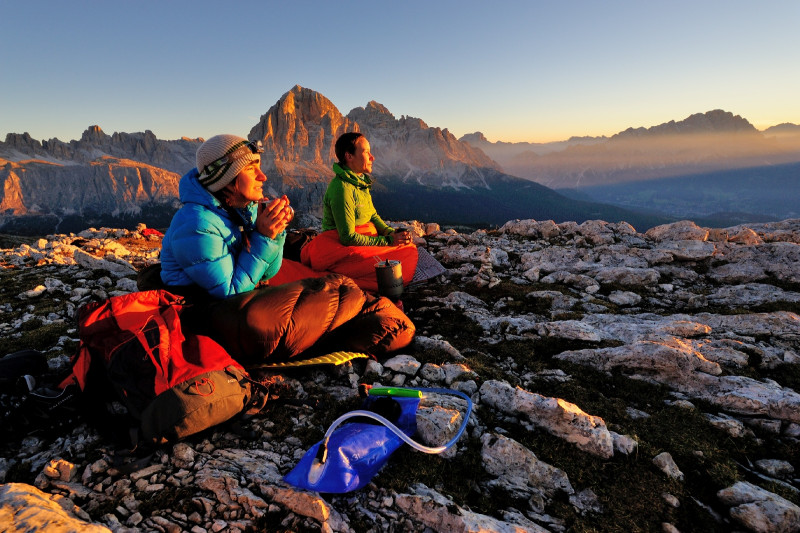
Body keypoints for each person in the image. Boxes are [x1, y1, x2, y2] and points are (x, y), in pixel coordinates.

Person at [158, 134, 295, 300]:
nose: (263, 176)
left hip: (230, 298)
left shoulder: (243, 209)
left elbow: (266, 273)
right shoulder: (196, 223)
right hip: (196, 306)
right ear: (226, 178)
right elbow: (230, 292)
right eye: (251, 169)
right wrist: (262, 237)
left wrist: (274, 234)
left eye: (259, 166)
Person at [300, 132, 418, 292]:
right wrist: (389, 241)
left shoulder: (359, 180)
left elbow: (372, 215)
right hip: (339, 249)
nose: (372, 157)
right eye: (366, 152)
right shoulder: (342, 188)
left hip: (358, 242)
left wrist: (392, 233)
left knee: (408, 249)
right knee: (395, 265)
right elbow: (347, 237)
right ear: (349, 156)